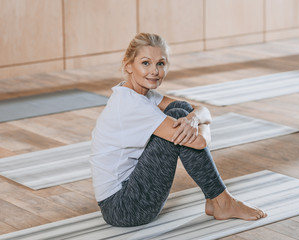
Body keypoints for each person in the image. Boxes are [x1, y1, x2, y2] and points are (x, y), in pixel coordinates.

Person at [90, 33, 267, 227]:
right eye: (146, 63)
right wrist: (201, 125)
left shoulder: (136, 94)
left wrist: (195, 119)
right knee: (179, 116)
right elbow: (200, 142)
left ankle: (216, 200)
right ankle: (221, 201)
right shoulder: (131, 104)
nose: (155, 71)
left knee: (181, 110)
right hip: (124, 207)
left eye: (161, 64)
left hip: (125, 198)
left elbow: (202, 110)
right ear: (128, 65)